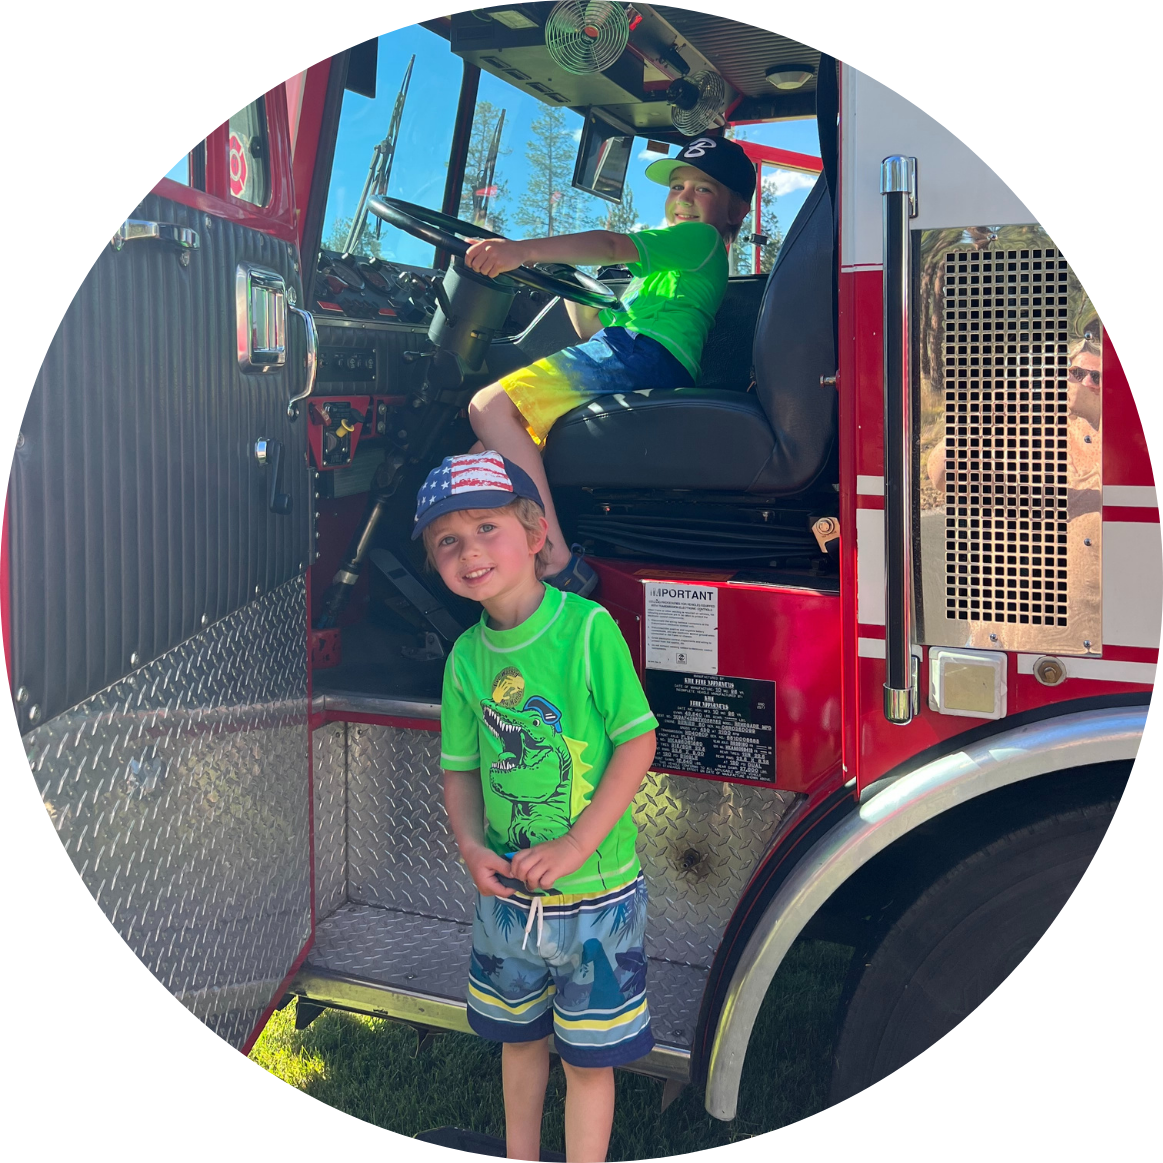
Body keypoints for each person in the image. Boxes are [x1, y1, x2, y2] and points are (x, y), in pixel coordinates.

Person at [415, 450, 659, 1163]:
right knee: (517, 1044)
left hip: (597, 902)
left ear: (534, 533)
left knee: (588, 1060)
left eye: (486, 527)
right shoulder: (465, 658)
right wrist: (469, 845)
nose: (469, 551)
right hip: (509, 905)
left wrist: (577, 844)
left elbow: (637, 744)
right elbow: (459, 770)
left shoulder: (587, 632)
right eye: (447, 541)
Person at [464, 137, 757, 596]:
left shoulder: (700, 240)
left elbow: (609, 245)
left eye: (703, 190)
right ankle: (503, 568)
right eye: (677, 185)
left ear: (736, 210)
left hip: (643, 353)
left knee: (489, 406)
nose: (683, 197)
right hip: (638, 354)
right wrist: (568, 283)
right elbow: (593, 329)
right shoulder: (667, 272)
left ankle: (556, 559)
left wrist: (521, 251)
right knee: (482, 452)